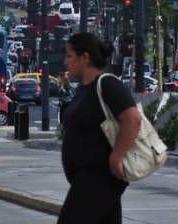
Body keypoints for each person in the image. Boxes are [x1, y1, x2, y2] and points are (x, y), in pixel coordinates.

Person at [58, 33, 141, 224]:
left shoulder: (108, 84)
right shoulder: (84, 88)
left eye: (70, 56)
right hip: (88, 178)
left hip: (99, 177)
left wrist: (117, 156)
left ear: (85, 57)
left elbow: (133, 119)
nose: (66, 61)